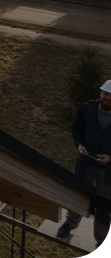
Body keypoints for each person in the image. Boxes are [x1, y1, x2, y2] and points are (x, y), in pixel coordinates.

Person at [56, 80, 111, 249]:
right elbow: (76, 128)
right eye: (106, 93)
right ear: (100, 93)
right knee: (78, 194)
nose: (108, 98)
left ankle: (102, 238)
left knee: (104, 203)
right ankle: (70, 224)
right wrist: (79, 144)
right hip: (85, 162)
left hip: (107, 169)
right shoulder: (86, 109)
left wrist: (110, 157)